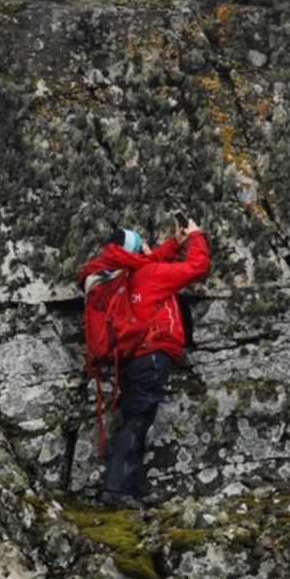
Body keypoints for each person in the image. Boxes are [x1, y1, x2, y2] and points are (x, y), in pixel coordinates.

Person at [77, 217, 210, 508]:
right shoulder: (149, 275)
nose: (150, 247)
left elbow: (154, 263)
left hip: (133, 357)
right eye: (144, 244)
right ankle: (116, 491)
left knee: (138, 421)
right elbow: (197, 267)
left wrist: (175, 242)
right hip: (152, 356)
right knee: (138, 423)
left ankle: (136, 488)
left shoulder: (127, 274)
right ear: (137, 252)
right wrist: (197, 237)